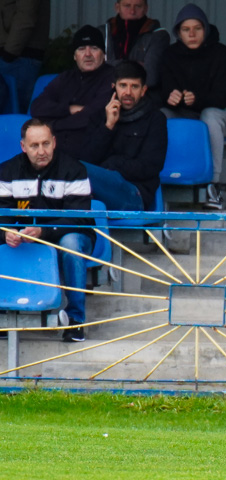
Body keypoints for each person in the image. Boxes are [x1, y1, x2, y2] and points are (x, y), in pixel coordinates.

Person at [0, 119, 95, 343]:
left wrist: (44, 231)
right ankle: (2, 313)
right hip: (23, 236)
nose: (41, 151)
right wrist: (5, 233)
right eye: (34, 146)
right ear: (23, 146)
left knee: (71, 243)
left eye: (46, 144)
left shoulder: (74, 170)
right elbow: (1, 216)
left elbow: (79, 219)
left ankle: (75, 321)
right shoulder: (6, 171)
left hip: (68, 233)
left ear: (54, 142)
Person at [160, 3, 226, 210]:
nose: (191, 34)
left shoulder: (221, 54)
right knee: (160, 116)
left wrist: (198, 99)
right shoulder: (170, 55)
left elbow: (222, 96)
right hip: (191, 114)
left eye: (197, 28)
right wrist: (170, 96)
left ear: (206, 30)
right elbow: (165, 89)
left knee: (210, 116)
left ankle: (213, 186)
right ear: (178, 33)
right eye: (186, 29)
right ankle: (159, 182)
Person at [78, 61, 167, 211]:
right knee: (70, 167)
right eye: (123, 85)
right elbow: (88, 157)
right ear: (114, 87)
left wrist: (112, 166)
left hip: (135, 193)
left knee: (78, 170)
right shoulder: (100, 116)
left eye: (135, 86)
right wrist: (108, 126)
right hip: (98, 190)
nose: (128, 92)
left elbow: (150, 166)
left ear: (144, 90)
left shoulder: (155, 119)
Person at [30, 25, 114, 156]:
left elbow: (93, 116)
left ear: (103, 54)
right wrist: (68, 109)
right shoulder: (66, 77)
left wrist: (53, 124)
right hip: (55, 150)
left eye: (94, 48)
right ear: (75, 56)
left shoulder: (112, 78)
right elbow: (37, 107)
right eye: (81, 49)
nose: (87, 54)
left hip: (90, 151)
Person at [102, 0, 170, 94]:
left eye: (138, 6)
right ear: (117, 7)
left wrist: (109, 64)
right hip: (105, 96)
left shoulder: (158, 35)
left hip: (145, 98)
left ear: (146, 8)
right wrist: (136, 64)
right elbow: (96, 74)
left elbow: (150, 77)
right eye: (127, 6)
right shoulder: (103, 33)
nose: (132, 11)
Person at [0, 0, 49, 112]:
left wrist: (9, 54)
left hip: (19, 56)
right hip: (13, 55)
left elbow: (26, 16)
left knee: (12, 117)